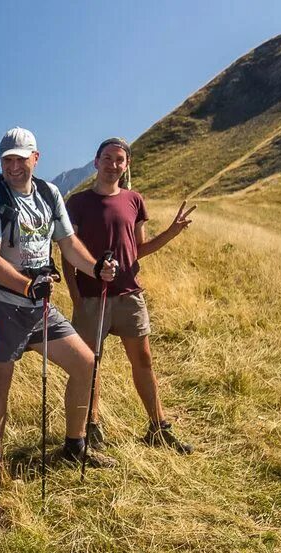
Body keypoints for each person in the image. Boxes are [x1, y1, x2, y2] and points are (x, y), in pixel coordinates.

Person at [0, 127, 118, 476]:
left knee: (86, 363)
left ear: (35, 159)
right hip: (3, 306)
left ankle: (75, 445)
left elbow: (68, 244)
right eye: (8, 160)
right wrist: (27, 287)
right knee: (0, 385)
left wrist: (96, 267)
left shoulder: (48, 194)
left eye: (21, 159)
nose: (14, 166)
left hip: (39, 307)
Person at [66, 137, 195, 454]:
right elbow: (68, 253)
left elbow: (138, 250)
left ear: (127, 165)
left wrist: (171, 233)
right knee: (89, 364)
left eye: (119, 160)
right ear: (96, 162)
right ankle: (89, 429)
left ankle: (158, 428)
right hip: (91, 297)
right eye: (107, 158)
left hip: (129, 294)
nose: (113, 165)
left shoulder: (134, 200)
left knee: (143, 359)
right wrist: (75, 295)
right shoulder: (78, 203)